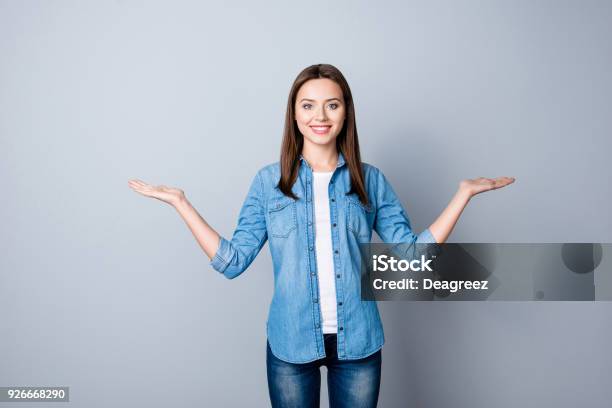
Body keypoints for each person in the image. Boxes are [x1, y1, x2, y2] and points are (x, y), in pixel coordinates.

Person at [128, 63, 514, 407]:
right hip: (290, 343)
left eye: (332, 104)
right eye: (308, 105)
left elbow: (412, 257)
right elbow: (232, 262)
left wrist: (462, 194)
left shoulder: (370, 180)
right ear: (294, 116)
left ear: (346, 113)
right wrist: (181, 203)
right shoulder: (269, 183)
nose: (320, 115)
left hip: (358, 345)